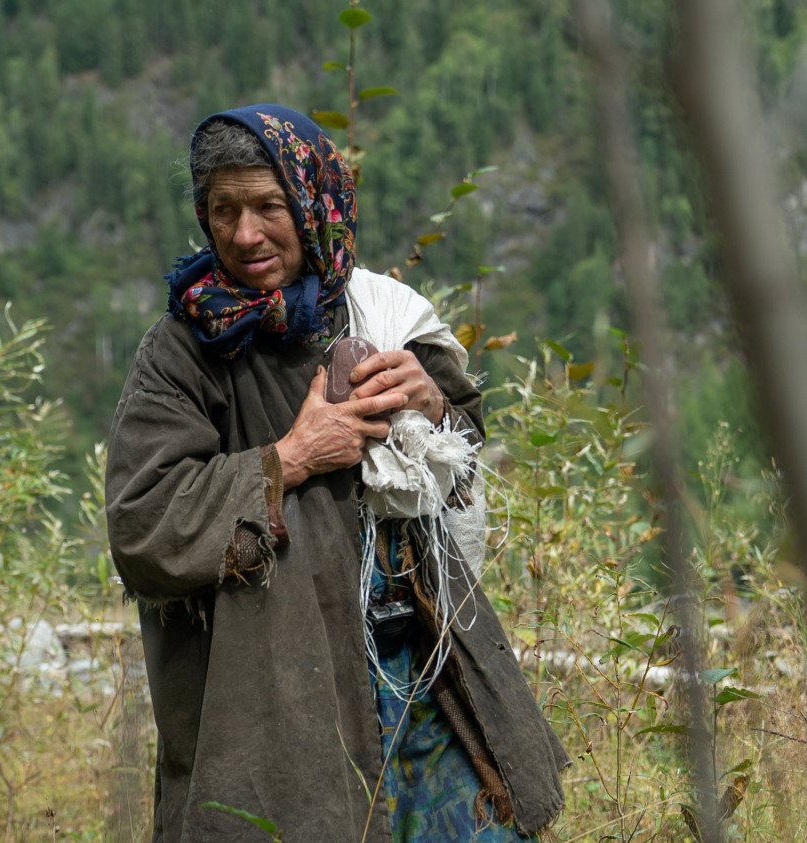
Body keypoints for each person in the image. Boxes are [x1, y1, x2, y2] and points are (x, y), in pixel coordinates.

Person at [104, 104, 568, 841]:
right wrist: (289, 458)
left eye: (268, 205)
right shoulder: (183, 353)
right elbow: (142, 523)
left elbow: (468, 443)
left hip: (425, 670)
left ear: (315, 201)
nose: (245, 233)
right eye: (224, 210)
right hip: (282, 703)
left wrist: (431, 401)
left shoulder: (379, 313)